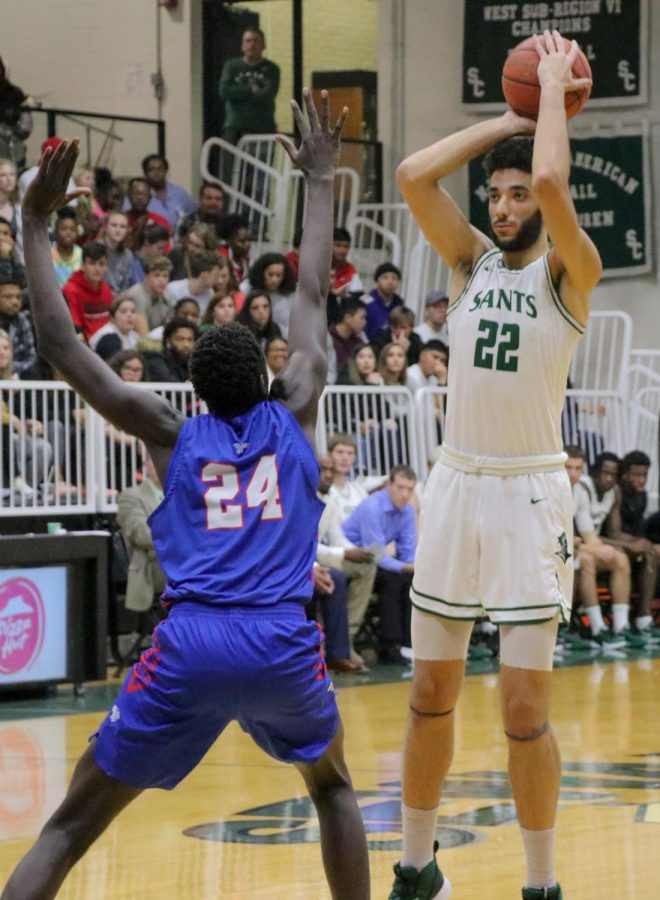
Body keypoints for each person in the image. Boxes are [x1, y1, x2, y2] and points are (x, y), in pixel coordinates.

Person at [2, 91, 369, 900]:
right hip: (280, 642)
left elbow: (62, 347)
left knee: (67, 827)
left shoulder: (171, 433)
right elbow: (311, 294)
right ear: (270, 376)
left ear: (192, 383)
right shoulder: (297, 405)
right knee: (335, 790)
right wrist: (316, 178)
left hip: (189, 645)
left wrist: (33, 222)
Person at [391, 31, 600, 900]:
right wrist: (508, 115)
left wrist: (551, 96)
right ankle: (415, 866)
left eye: (520, 194)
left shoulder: (571, 272)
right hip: (457, 484)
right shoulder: (471, 262)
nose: (510, 203)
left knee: (522, 714)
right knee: (430, 694)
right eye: (500, 195)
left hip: (527, 497)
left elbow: (555, 183)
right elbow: (411, 174)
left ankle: (541, 882)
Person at [342, 465, 417, 664]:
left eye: (410, 489)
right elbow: (375, 554)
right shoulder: (372, 507)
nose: (405, 494)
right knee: (393, 580)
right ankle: (390, 645)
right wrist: (405, 567)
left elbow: (408, 550)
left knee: (411, 580)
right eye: (400, 487)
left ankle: (409, 644)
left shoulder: (408, 511)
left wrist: (411, 567)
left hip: (373, 560)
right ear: (388, 485)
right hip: (352, 558)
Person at [583, 452, 659, 644]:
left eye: (644, 475)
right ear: (623, 474)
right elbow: (612, 533)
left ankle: (643, 618)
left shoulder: (640, 497)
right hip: (601, 545)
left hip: (611, 545)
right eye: (636, 474)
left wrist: (640, 543)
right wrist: (631, 544)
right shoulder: (613, 492)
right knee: (631, 555)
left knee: (650, 553)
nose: (641, 480)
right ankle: (609, 626)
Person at [565, 446, 634, 651]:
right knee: (585, 559)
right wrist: (583, 545)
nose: (573, 474)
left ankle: (621, 627)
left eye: (578, 468)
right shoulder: (550, 488)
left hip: (570, 547)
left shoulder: (577, 489)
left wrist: (597, 547)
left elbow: (587, 533)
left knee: (619, 558)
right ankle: (597, 628)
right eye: (569, 468)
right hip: (548, 550)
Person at [218, 28, 280, 146]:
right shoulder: (231, 66)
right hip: (234, 128)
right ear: (242, 45)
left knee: (260, 165)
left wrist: (237, 93)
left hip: (263, 128)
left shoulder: (272, 69)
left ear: (263, 45)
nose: (251, 45)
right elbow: (224, 92)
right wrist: (251, 89)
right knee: (230, 164)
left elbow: (267, 96)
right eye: (248, 41)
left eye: (256, 41)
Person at [62, 242, 114, 340]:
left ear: (106, 267)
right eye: (92, 263)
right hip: (85, 343)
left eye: (101, 264)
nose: (97, 269)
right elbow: (75, 327)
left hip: (108, 340)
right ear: (82, 266)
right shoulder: (70, 290)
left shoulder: (106, 289)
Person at [140, 153, 197, 231]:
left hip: (179, 239)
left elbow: (194, 215)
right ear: (145, 173)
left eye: (160, 169)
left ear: (166, 171)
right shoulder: (139, 195)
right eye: (152, 169)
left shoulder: (179, 193)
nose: (156, 173)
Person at [125, 254, 173, 336]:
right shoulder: (137, 294)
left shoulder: (168, 297)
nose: (161, 280)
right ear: (146, 277)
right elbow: (144, 336)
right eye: (156, 275)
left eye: (165, 276)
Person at [163, 250, 220, 317]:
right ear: (205, 275)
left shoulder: (210, 293)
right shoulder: (173, 289)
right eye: (216, 275)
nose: (218, 280)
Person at [0, 274, 36, 375]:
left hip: (17, 377)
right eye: (8, 297)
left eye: (18, 297)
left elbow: (31, 358)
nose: (15, 302)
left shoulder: (22, 320)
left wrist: (11, 372)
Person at [143, 316, 197, 382]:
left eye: (190, 340)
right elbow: (167, 382)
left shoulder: (194, 362)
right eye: (180, 339)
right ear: (168, 340)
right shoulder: (156, 358)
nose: (186, 345)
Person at [89, 295, 140, 361]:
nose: (129, 315)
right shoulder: (108, 338)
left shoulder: (134, 336)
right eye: (123, 311)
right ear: (112, 317)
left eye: (133, 311)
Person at [363, 262, 404, 340]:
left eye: (394, 278)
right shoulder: (365, 300)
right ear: (377, 280)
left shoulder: (399, 303)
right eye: (385, 277)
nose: (390, 282)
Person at [102, 210, 134, 295]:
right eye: (114, 225)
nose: (118, 230)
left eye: (122, 227)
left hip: (118, 299)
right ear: (105, 227)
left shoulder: (128, 255)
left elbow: (125, 285)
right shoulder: (96, 249)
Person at [51, 206, 82, 287]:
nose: (68, 233)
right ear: (56, 231)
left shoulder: (81, 254)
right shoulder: (48, 254)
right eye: (63, 229)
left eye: (73, 229)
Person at [0, 158, 23, 263]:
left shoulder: (19, 208)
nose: (9, 179)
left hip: (16, 266)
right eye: (3, 175)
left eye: (12, 174)